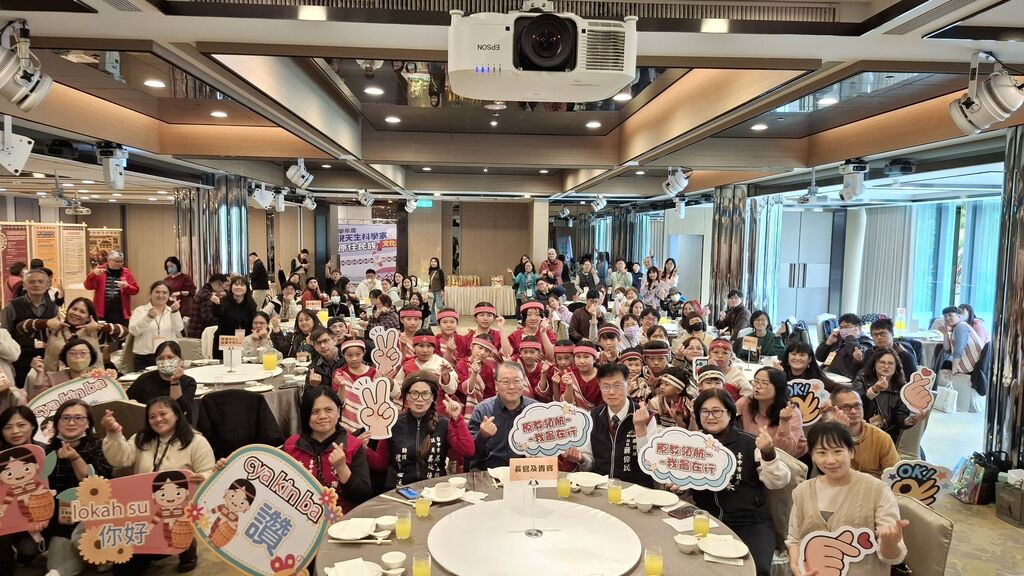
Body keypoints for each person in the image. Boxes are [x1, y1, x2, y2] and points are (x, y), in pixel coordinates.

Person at [101, 397, 215, 573]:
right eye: (152, 416)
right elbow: (120, 459)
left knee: (171, 541)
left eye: (163, 414)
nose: (158, 419)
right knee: (123, 570)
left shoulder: (196, 441)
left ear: (176, 414)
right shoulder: (141, 438)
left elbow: (209, 472)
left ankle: (187, 548)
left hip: (180, 512)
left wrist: (203, 477)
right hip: (143, 510)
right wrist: (114, 433)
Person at [786, 421, 908, 576]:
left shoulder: (877, 490)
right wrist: (796, 567)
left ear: (851, 452)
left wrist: (889, 542)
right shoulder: (802, 491)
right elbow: (794, 538)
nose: (830, 460)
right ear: (813, 456)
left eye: (837, 451)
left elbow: (894, 558)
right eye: (822, 453)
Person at [690, 388, 791, 576]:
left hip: (750, 522)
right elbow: (684, 480)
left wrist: (768, 453)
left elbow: (778, 481)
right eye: (704, 412)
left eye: (717, 411)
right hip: (707, 520)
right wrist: (679, 487)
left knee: (756, 570)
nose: (710, 417)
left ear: (730, 413)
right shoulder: (692, 446)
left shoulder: (750, 443)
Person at [364, 371, 474, 489]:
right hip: (399, 491)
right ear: (406, 396)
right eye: (414, 393)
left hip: (435, 490)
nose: (419, 399)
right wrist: (364, 449)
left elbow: (468, 451)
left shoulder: (443, 424)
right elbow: (380, 463)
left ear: (433, 397)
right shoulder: (392, 423)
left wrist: (457, 419)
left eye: (425, 394)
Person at [43, 400, 114, 576]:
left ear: (88, 423)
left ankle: (103, 556)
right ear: (57, 423)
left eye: (78, 418)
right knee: (57, 570)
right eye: (66, 418)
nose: (71, 422)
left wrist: (75, 458)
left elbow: (96, 487)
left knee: (90, 549)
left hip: (95, 516)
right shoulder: (47, 452)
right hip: (62, 520)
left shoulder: (100, 447)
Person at [563, 363, 657, 486]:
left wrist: (640, 429)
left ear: (628, 385)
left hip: (636, 488)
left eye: (617, 386)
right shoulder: (593, 416)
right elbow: (589, 463)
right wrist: (581, 459)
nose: (611, 392)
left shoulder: (646, 417)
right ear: (599, 386)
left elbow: (649, 464)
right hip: (601, 487)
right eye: (606, 386)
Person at [283, 387, 372, 512]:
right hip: (297, 516)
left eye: (329, 410)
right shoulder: (291, 445)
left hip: (342, 518)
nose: (322, 416)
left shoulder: (353, 445)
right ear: (305, 415)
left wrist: (341, 468)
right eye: (315, 412)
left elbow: (363, 496)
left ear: (338, 412)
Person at [0, 405, 47, 570]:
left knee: (29, 549)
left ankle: (23, 557)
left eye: (21, 425)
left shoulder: (45, 451)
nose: (15, 431)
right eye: (8, 427)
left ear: (33, 425)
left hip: (38, 516)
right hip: (6, 516)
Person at [468, 362, 538, 469]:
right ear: (496, 385)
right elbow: (469, 452)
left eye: (517, 381)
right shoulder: (482, 410)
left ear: (523, 382)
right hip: (488, 472)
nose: (512, 387)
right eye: (506, 382)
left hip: (525, 471)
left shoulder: (535, 410)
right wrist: (482, 435)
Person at [39, 297, 126, 374]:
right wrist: (46, 323)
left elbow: (124, 333)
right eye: (74, 309)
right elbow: (29, 328)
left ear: (89, 317)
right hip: (56, 381)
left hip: (89, 382)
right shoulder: (54, 330)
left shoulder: (96, 332)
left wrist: (99, 327)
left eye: (82, 312)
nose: (76, 313)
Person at [829, 385, 899, 478]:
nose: (853, 411)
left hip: (875, 485)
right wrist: (838, 432)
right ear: (833, 410)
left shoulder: (881, 438)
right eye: (846, 407)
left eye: (857, 405)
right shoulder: (827, 437)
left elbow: (894, 475)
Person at [4, 268, 59, 387]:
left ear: (47, 285)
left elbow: (55, 335)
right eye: (32, 281)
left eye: (40, 281)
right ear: (24, 285)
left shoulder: (53, 307)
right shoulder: (12, 306)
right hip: (19, 360)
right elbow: (4, 335)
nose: (36, 284)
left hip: (45, 359)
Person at [852, 348, 918, 446]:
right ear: (874, 364)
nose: (886, 366)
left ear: (896, 367)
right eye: (882, 362)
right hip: (861, 431)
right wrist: (874, 390)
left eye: (890, 363)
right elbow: (855, 406)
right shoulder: (862, 378)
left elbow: (900, 417)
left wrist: (909, 421)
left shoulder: (901, 388)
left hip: (887, 435)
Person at [736, 367, 806, 457]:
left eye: (764, 383)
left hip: (789, 460)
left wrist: (784, 422)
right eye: (756, 381)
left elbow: (785, 451)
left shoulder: (791, 412)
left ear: (778, 388)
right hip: (753, 455)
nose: (757, 386)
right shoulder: (745, 403)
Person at [128, 341, 197, 421]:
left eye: (170, 357)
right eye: (160, 358)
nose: (165, 361)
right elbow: (126, 399)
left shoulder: (188, 382)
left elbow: (179, 410)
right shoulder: (145, 379)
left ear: (180, 359)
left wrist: (175, 381)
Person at [128, 281, 184, 371]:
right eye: (157, 292)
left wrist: (175, 312)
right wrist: (148, 318)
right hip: (144, 358)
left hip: (168, 358)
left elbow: (179, 328)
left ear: (169, 296)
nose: (161, 295)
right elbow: (134, 331)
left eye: (164, 293)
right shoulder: (140, 311)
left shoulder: (172, 311)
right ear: (151, 294)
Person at [33, 337, 104, 399]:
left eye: (83, 353)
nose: (78, 356)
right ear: (65, 357)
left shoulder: (100, 378)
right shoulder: (52, 378)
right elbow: (39, 401)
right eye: (72, 353)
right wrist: (39, 373)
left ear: (91, 356)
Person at [83, 251, 139, 326]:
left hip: (120, 312)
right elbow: (88, 286)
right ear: (109, 260)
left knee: (121, 331)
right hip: (102, 312)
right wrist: (93, 275)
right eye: (117, 261)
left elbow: (135, 290)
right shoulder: (100, 271)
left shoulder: (126, 273)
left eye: (121, 261)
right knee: (102, 332)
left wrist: (126, 286)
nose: (119, 264)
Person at [210, 276, 257, 360]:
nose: (238, 287)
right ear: (231, 287)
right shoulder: (223, 301)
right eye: (236, 284)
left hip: (243, 342)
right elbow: (216, 314)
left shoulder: (251, 303)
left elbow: (253, 323)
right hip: (224, 342)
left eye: (242, 285)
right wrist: (216, 304)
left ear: (247, 288)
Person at [815, 313, 873, 379]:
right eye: (841, 327)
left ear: (858, 329)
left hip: (844, 379)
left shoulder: (866, 342)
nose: (843, 330)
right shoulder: (838, 340)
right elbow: (819, 358)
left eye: (847, 327)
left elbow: (856, 355)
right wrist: (827, 343)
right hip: (826, 374)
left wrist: (850, 337)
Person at [455, 335, 500, 419]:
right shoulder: (462, 364)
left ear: (489, 354)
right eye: (480, 348)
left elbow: (489, 393)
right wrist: (474, 374)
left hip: (481, 407)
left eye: (487, 351)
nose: (482, 352)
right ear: (472, 346)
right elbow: (462, 389)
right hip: (461, 406)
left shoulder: (488, 368)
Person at [938, 305, 984, 376]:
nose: (947, 318)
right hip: (973, 364)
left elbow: (958, 351)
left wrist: (954, 370)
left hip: (971, 366)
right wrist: (945, 333)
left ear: (959, 316)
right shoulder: (958, 326)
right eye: (945, 316)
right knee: (941, 362)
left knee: (938, 364)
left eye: (950, 315)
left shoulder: (960, 327)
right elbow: (947, 350)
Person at [560, 341, 603, 410]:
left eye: (586, 357)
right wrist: (569, 386)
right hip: (574, 413)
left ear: (594, 359)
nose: (581, 361)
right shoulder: (568, 373)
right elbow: (567, 404)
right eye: (578, 357)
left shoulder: (603, 375)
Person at [188, 273, 228, 338]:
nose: (223, 290)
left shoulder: (204, 291)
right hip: (199, 333)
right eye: (223, 287)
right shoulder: (207, 295)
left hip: (195, 330)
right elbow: (207, 318)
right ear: (216, 284)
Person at [306, 327, 345, 392]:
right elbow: (306, 396)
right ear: (315, 347)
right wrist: (314, 386)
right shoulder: (313, 367)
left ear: (335, 340)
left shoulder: (348, 358)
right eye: (318, 343)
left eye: (325, 341)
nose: (322, 346)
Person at [426, 257, 446, 325]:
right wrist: (429, 289)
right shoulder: (430, 271)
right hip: (432, 291)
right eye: (432, 262)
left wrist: (443, 290)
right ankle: (434, 321)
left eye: (435, 262)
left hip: (438, 290)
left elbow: (443, 281)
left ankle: (447, 314)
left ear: (437, 263)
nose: (433, 263)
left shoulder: (440, 271)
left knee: (439, 305)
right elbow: (431, 282)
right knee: (431, 306)